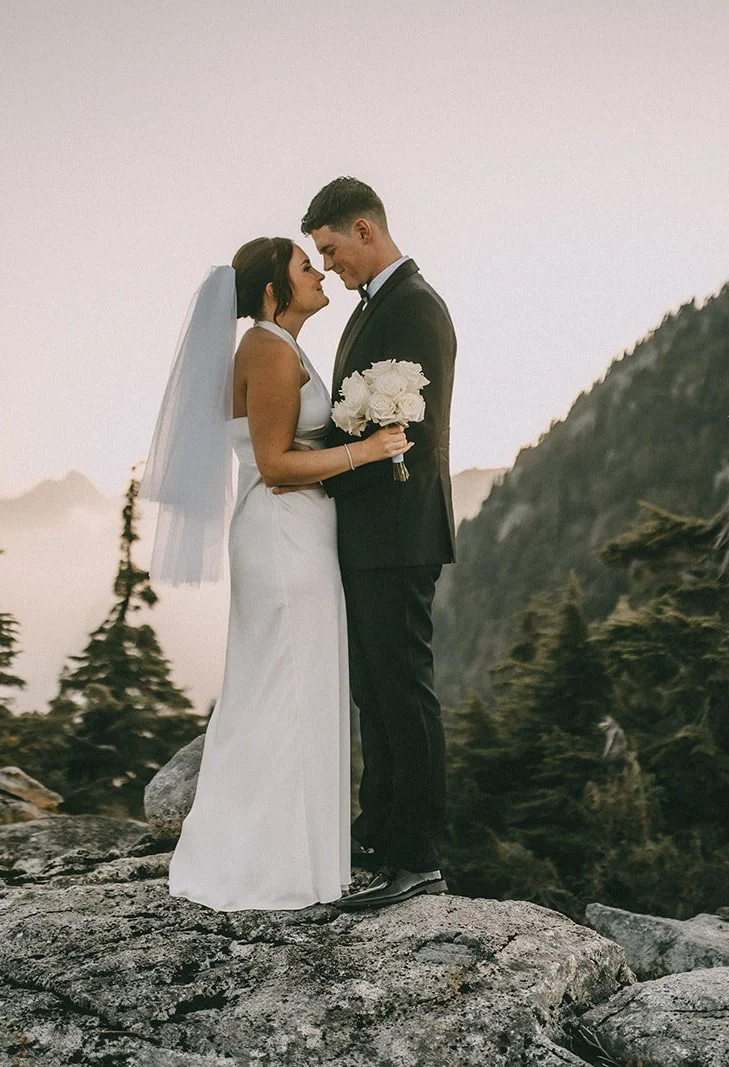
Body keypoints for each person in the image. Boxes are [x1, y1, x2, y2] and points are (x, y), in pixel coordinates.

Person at [146, 237, 410, 911]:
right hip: (280, 536)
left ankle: (305, 861)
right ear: (272, 290)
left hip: (301, 537)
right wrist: (368, 451)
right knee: (284, 687)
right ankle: (268, 866)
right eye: (304, 265)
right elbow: (275, 465)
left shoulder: (281, 346)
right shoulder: (264, 349)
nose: (319, 272)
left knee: (303, 686)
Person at [301, 177, 458, 911]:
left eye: (331, 250)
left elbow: (409, 437)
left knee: (403, 692)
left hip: (398, 529)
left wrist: (315, 467)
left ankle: (419, 855)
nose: (329, 266)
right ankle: (380, 831)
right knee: (374, 690)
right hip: (368, 532)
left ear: (364, 229)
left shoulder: (415, 306)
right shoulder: (372, 310)